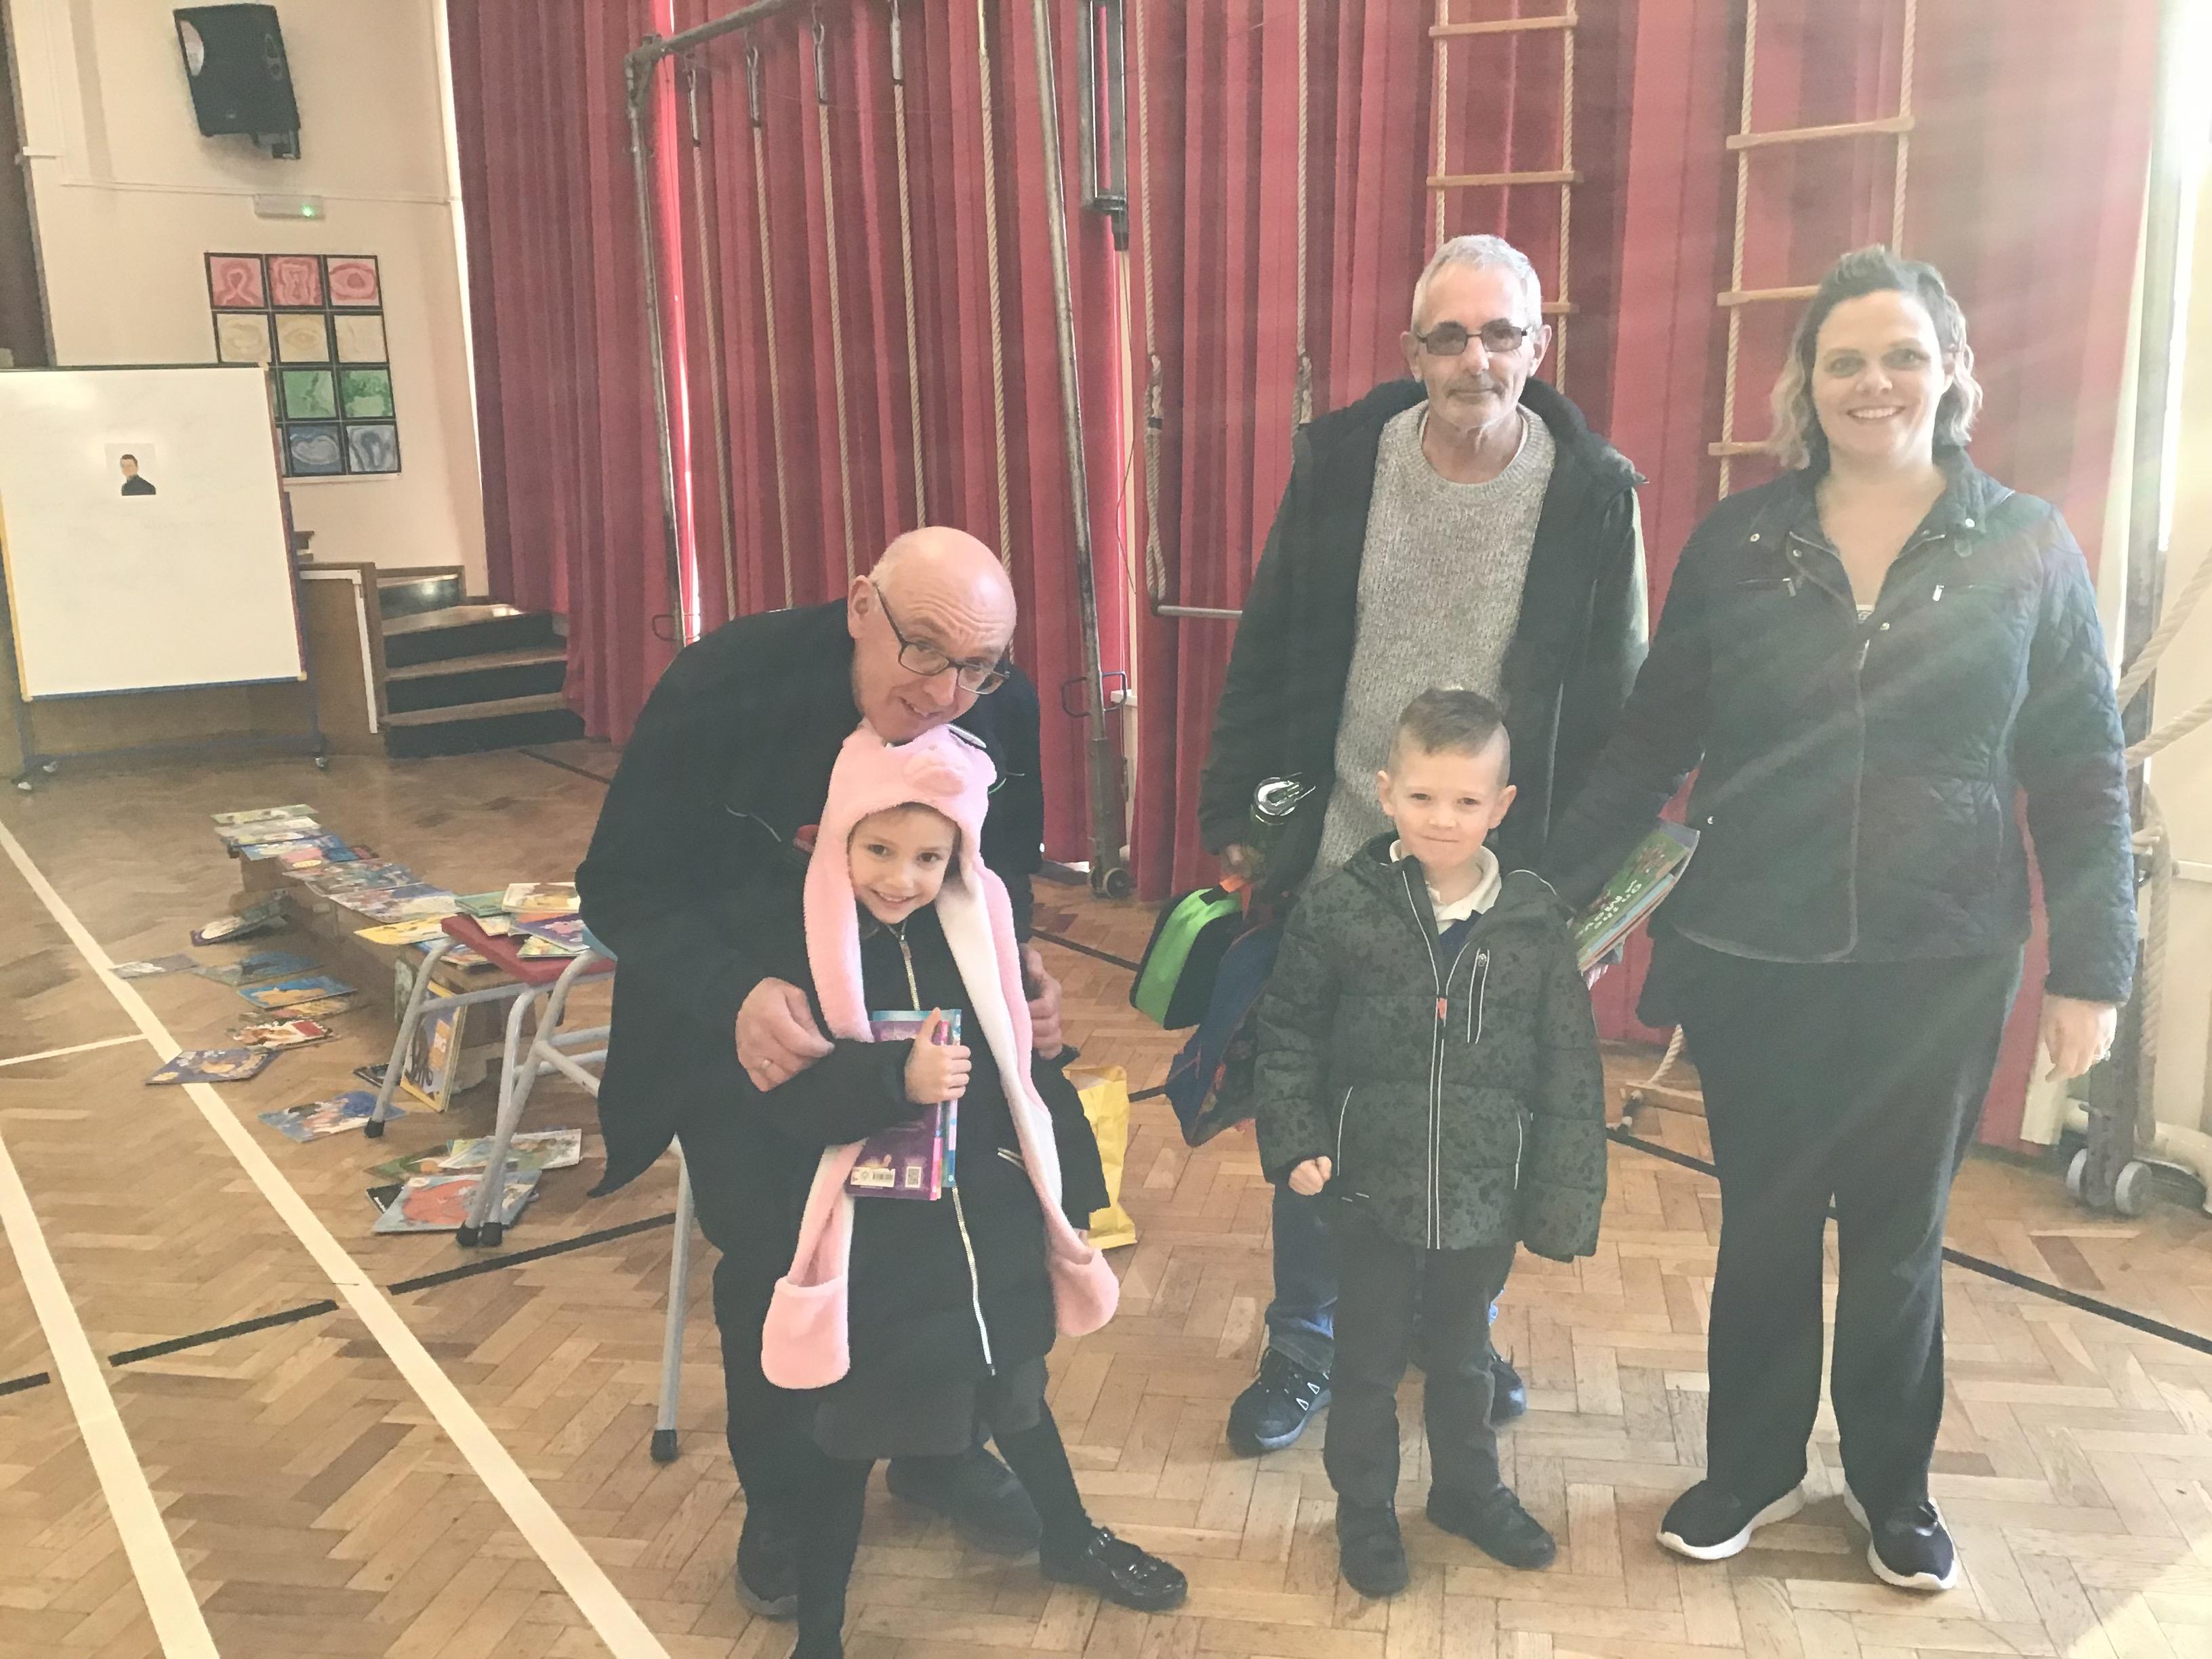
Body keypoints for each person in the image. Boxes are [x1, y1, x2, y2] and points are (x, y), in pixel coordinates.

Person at [1545, 248, 2135, 1593]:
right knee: (1763, 1223)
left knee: (1897, 1235)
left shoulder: (2028, 544)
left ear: (1953, 372)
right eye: (1846, 360)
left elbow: (2082, 770)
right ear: (1806, 383)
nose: (1876, 383)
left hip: (1945, 960)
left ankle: (1892, 1487)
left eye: (1904, 356)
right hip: (1753, 952)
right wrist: (1551, 904)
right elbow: (1651, 742)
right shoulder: (1737, 543)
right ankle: (1749, 1468)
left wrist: (2091, 970)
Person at [1199, 233, 1647, 1456]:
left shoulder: (1593, 494)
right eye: (1449, 337)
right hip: (1342, 851)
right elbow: (1268, 646)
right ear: (1413, 351)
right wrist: (1244, 824)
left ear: (1538, 346)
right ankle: (1308, 1339)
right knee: (1319, 1102)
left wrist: (1578, 894)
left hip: (1496, 876)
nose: (1474, 359)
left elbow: (1617, 709)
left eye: (1500, 334)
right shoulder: (1345, 467)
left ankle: (1455, 1332)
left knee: (1470, 1121)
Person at [577, 529, 1073, 1614]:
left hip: (921, 1029)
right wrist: (734, 993)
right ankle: (786, 1500)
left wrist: (1020, 964)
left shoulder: (1000, 702)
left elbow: (1001, 870)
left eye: (977, 668)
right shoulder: (727, 682)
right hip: (753, 1032)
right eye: (922, 650)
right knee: (780, 1258)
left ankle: (938, 1450)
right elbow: (619, 887)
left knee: (948, 1229)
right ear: (859, 606)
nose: (945, 695)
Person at [752, 722, 1186, 1659]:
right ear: (839, 837)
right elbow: (784, 1107)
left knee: (1017, 1395)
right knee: (849, 1437)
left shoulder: (980, 938)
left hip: (986, 1230)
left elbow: (1023, 1077)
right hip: (880, 1251)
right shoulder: (802, 951)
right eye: (879, 850)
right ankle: (820, 1633)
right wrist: (890, 1082)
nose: (902, 878)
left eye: (928, 857)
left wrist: (1069, 1196)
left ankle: (1070, 1538)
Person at [1254, 689, 1606, 1593]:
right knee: (1366, 1364)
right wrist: (1296, 1138)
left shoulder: (1534, 924)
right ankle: (1366, 1512)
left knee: (1462, 1359)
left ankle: (1467, 1491)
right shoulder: (1341, 909)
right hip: (1369, 1186)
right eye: (1422, 797)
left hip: (1486, 1192)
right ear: (1385, 792)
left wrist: (1562, 1195)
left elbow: (1570, 1068)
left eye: (1465, 801)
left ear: (1502, 805)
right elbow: (1288, 1032)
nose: (1443, 819)